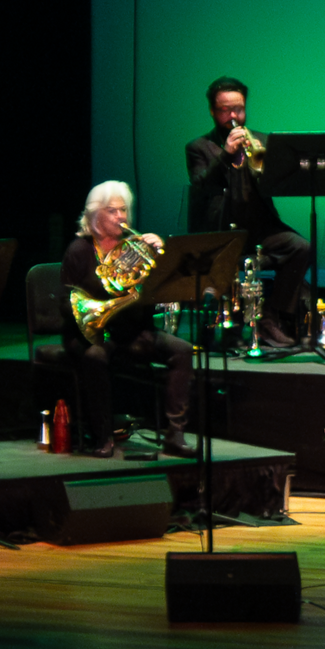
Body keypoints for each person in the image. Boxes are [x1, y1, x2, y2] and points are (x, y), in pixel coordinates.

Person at [62, 180, 193, 459]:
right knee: (95, 358)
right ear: (95, 215)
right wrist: (107, 303)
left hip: (134, 330)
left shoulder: (135, 246)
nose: (120, 217)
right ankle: (103, 436)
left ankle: (175, 434)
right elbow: (67, 305)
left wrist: (161, 256)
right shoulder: (79, 251)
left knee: (182, 350)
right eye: (112, 211)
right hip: (92, 334)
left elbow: (155, 294)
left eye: (123, 210)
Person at [186, 76, 315, 347]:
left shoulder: (261, 141)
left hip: (260, 230)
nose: (233, 116)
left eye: (239, 109)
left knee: (301, 247)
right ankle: (228, 328)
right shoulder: (198, 148)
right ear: (212, 111)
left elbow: (282, 183)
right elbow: (201, 185)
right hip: (223, 234)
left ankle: (270, 317)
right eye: (225, 110)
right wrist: (226, 154)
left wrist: (275, 167)